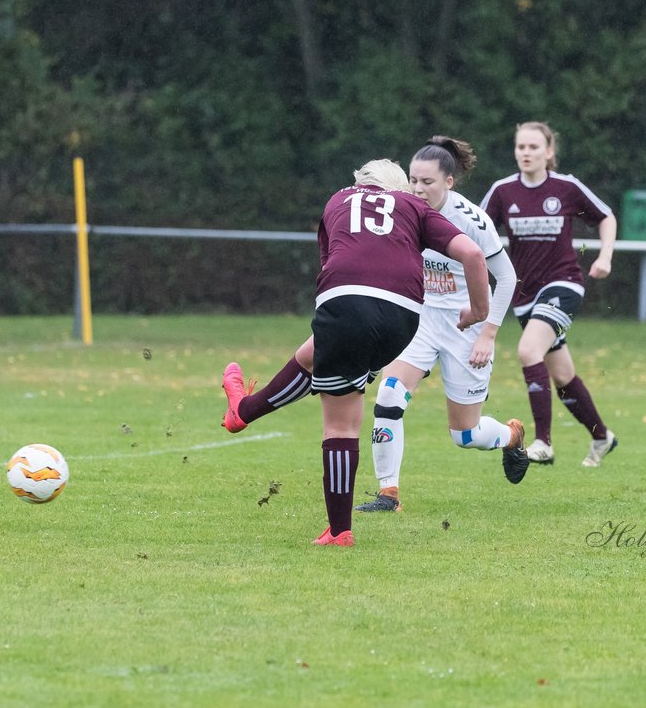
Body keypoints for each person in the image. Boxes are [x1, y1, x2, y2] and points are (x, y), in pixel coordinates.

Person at [222, 159, 490, 546]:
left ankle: (338, 531)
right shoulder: (414, 206)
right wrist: (480, 311)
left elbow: (333, 265)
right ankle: (243, 411)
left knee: (340, 425)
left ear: (361, 184)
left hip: (346, 303)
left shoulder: (337, 201)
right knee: (319, 354)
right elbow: (473, 255)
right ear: (400, 188)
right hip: (404, 318)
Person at [353, 136, 528, 515]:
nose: (417, 189)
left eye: (427, 182)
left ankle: (512, 436)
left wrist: (488, 332)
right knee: (388, 398)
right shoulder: (403, 211)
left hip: (465, 327)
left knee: (464, 435)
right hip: (420, 321)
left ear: (449, 181)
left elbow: (508, 279)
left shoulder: (471, 220)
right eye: (413, 180)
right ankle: (389, 495)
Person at [479, 121, 618, 468]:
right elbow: (477, 231)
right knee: (562, 375)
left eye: (533, 147)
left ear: (549, 152)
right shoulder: (502, 192)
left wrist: (604, 256)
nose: (526, 153)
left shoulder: (565, 187)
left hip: (563, 285)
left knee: (528, 351)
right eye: (520, 147)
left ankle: (543, 442)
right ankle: (602, 437)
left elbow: (606, 217)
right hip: (524, 295)